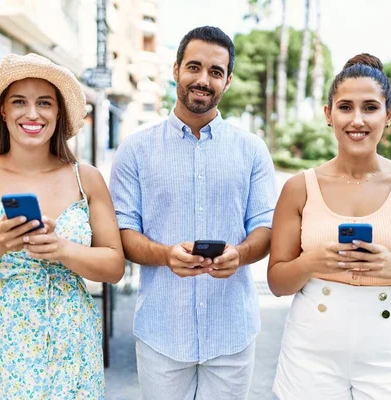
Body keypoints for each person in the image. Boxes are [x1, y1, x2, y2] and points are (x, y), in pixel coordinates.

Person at [0, 53, 125, 399]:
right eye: (19, 102)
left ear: (59, 113)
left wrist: (64, 249)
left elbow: (113, 266)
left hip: (70, 346)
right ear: (2, 110)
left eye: (44, 103)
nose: (32, 114)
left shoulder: (87, 179)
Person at [268, 53, 391, 400]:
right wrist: (312, 262)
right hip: (310, 348)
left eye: (370, 107)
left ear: (389, 115)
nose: (357, 120)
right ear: (329, 115)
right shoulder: (298, 187)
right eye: (345, 107)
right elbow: (277, 281)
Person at [109, 26, 277, 400]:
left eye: (215, 72)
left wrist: (241, 254)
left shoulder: (251, 150)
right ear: (176, 69)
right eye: (194, 67)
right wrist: (165, 256)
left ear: (228, 81)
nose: (203, 80)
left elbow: (265, 226)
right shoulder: (135, 151)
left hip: (231, 332)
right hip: (162, 333)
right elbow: (122, 232)